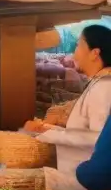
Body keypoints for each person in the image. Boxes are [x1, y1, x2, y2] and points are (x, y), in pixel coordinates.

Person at [38, 24, 111, 181]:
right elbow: (85, 131)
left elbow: (97, 138)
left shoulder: (104, 87)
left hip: (84, 183)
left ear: (95, 53)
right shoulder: (98, 83)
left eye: (78, 45)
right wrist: (50, 129)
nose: (74, 52)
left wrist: (50, 135)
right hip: (77, 177)